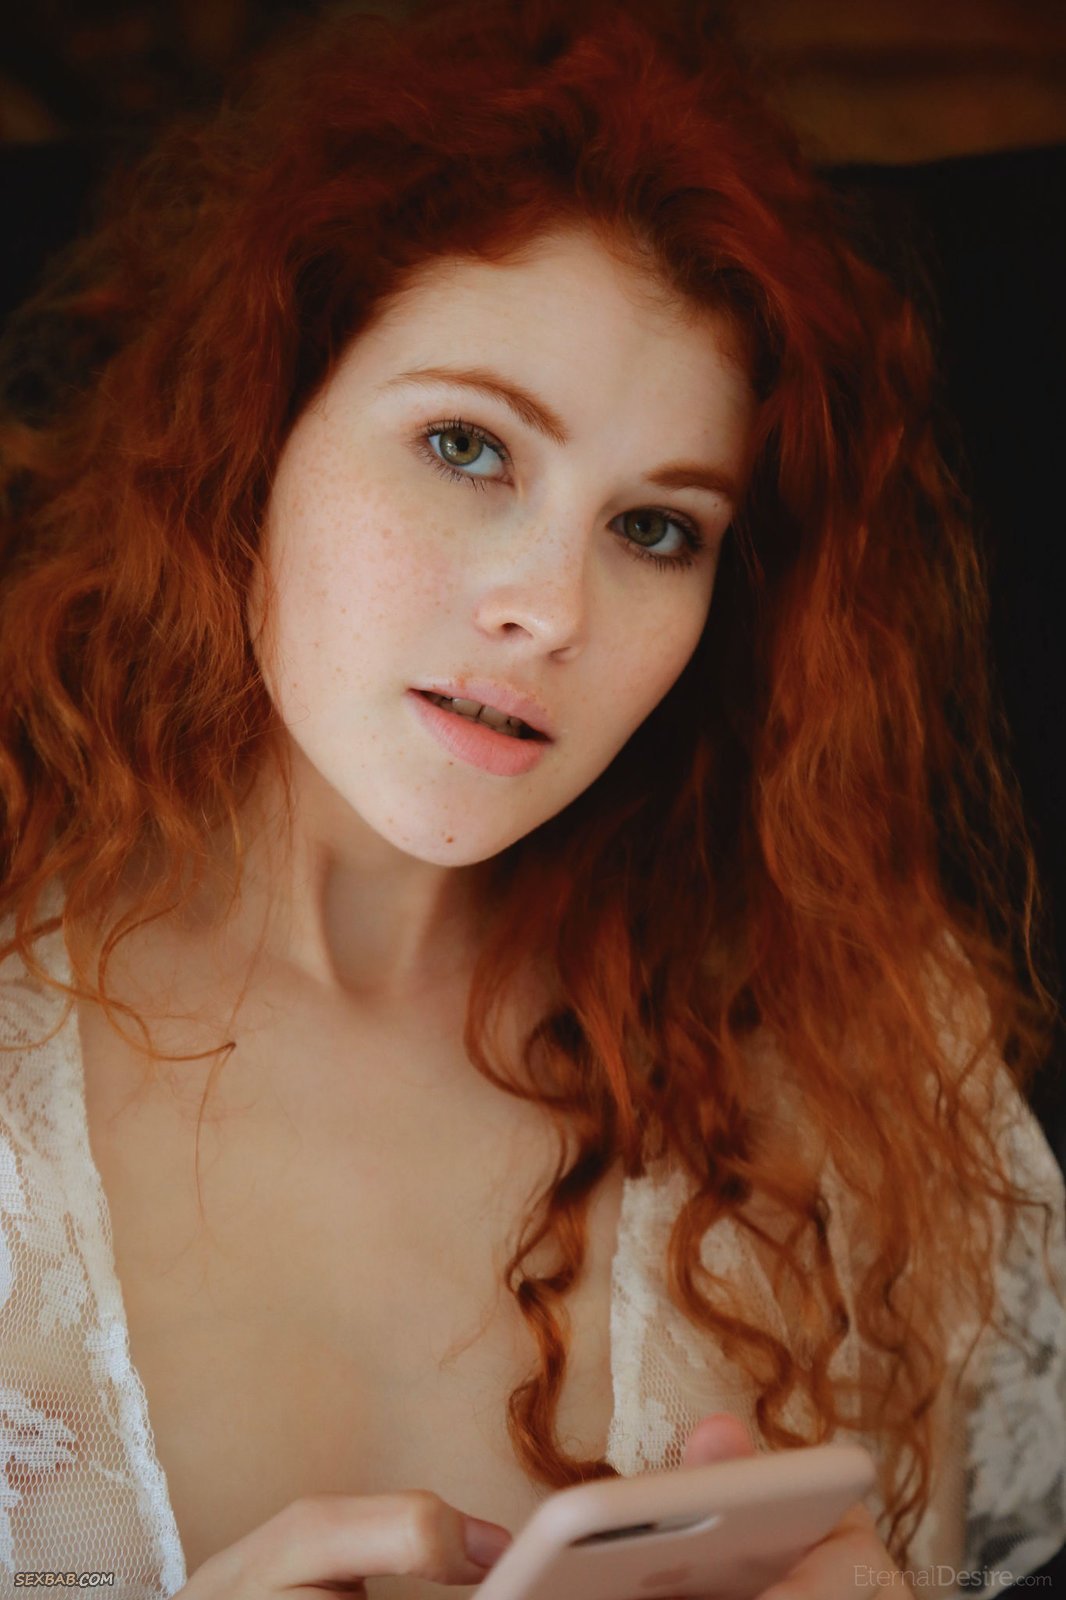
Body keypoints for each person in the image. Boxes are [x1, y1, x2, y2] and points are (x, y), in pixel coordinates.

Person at [0, 0, 1063, 1595]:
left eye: (655, 529)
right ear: (255, 427)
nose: (551, 610)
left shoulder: (850, 1059)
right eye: (465, 445)